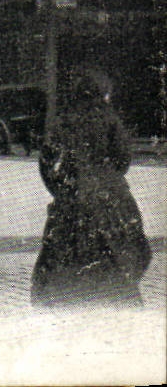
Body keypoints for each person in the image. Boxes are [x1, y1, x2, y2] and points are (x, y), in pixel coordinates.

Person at [31, 69, 152, 306]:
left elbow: (46, 160)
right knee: (120, 245)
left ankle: (68, 296)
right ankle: (111, 293)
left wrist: (58, 188)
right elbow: (123, 157)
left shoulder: (64, 118)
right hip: (108, 194)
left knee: (67, 249)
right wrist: (109, 179)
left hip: (73, 191)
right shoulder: (109, 118)